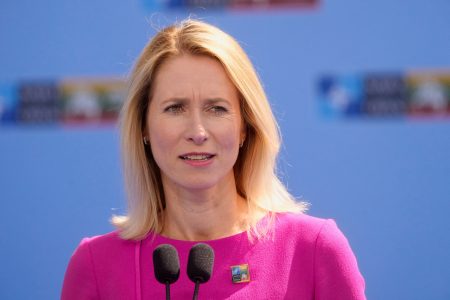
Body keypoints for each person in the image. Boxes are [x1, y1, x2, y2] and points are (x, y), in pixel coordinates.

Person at [61, 19, 366, 299]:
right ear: (143, 126)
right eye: (175, 108)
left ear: (245, 125)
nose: (197, 131)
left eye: (217, 108)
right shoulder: (96, 265)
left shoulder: (313, 249)